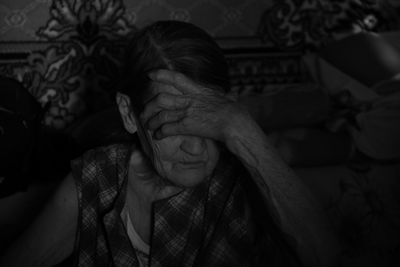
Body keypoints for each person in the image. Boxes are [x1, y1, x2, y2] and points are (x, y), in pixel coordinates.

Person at [0, 21, 338, 267]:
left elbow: (326, 257)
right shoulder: (97, 177)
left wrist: (238, 125)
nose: (195, 149)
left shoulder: (243, 180)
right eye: (171, 121)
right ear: (129, 114)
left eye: (209, 122)